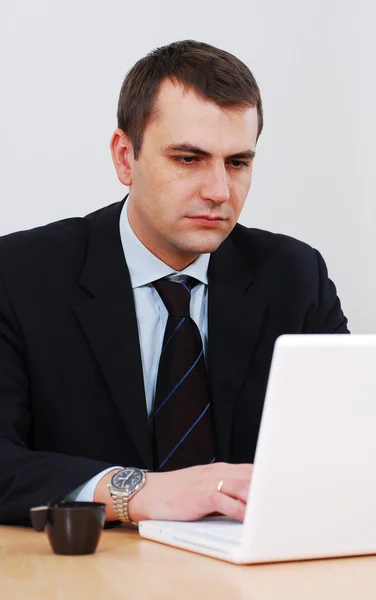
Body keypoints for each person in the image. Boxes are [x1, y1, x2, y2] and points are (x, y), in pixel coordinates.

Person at [0, 40, 349, 526]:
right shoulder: (19, 275)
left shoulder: (295, 276)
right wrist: (138, 491)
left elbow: (351, 447)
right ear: (126, 157)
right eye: (188, 159)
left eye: (238, 162)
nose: (219, 191)